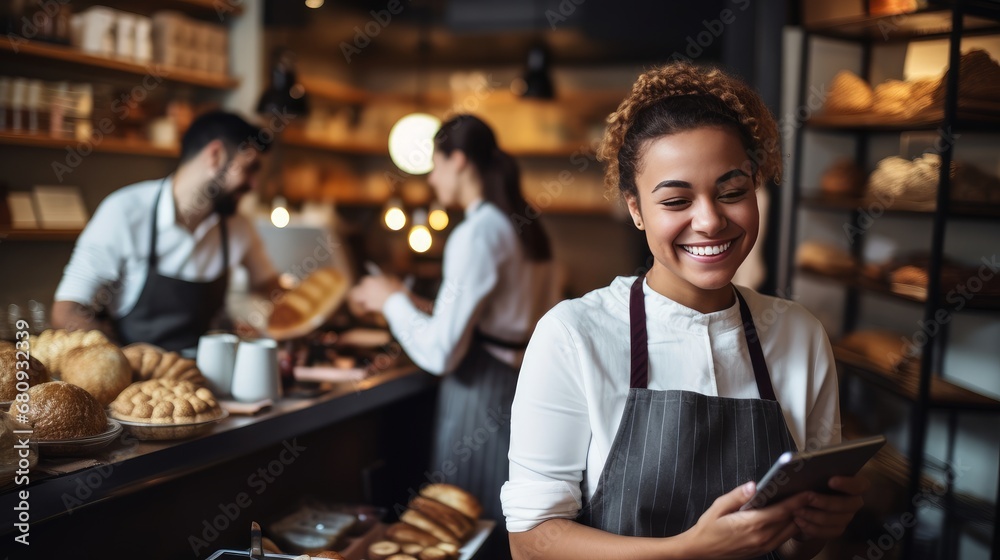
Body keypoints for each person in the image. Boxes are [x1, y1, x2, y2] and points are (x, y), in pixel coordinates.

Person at [501, 63, 868, 560]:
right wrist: (687, 551)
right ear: (635, 208)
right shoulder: (573, 335)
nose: (710, 220)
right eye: (676, 200)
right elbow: (530, 542)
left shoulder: (800, 334)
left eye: (733, 192)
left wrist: (819, 527)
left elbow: (797, 543)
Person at [349, 115, 557, 545]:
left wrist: (391, 299)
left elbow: (441, 352)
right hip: (518, 382)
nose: (430, 176)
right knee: (504, 521)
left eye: (435, 163)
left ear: (458, 160)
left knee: (461, 523)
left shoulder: (478, 232)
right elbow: (496, 314)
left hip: (479, 391)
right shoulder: (524, 224)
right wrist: (415, 304)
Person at [52, 110, 281, 352]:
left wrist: (304, 316)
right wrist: (115, 361)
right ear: (215, 156)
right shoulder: (124, 212)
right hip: (135, 383)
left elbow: (270, 287)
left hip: (207, 378)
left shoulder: (237, 226)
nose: (254, 185)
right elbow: (66, 312)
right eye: (250, 168)